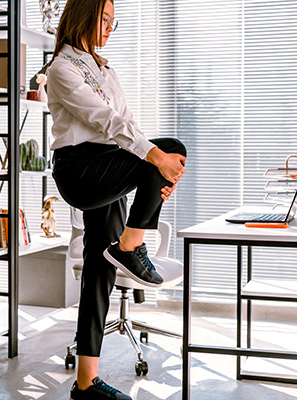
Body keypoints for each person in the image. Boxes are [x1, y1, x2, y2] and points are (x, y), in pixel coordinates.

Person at [46, 0, 187, 399]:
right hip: (80, 170)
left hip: (108, 164)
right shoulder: (61, 68)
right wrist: (155, 158)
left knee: (99, 265)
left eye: (113, 20)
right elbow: (104, 121)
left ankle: (86, 383)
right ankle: (131, 245)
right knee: (170, 147)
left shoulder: (104, 69)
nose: (109, 27)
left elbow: (127, 123)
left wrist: (159, 172)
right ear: (83, 16)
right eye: (103, 19)